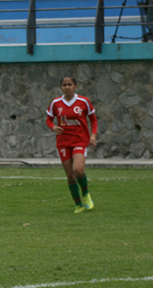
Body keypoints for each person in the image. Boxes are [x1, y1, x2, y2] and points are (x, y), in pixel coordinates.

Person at [46, 75, 97, 213]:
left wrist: (93, 135)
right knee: (69, 175)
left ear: (75, 86)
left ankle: (85, 194)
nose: (67, 87)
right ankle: (78, 205)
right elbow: (49, 120)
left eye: (70, 84)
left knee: (78, 170)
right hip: (63, 142)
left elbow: (93, 119)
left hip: (80, 140)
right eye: (64, 85)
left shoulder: (83, 101)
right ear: (61, 87)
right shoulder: (56, 103)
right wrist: (53, 127)